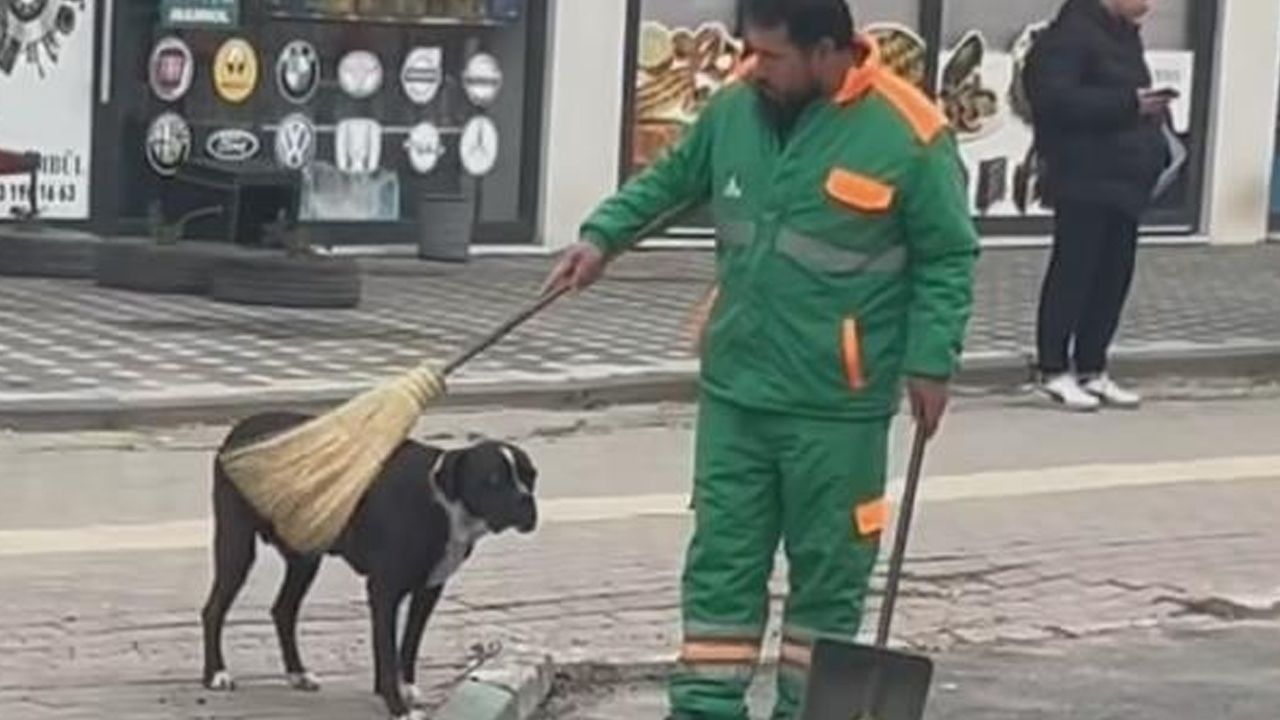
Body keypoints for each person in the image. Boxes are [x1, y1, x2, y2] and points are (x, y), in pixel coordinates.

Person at [543, 2, 978, 717]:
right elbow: (671, 182)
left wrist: (933, 362)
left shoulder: (911, 134)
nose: (754, 68)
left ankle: (809, 710)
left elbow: (947, 257)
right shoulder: (734, 110)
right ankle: (705, 710)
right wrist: (601, 238)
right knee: (722, 567)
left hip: (837, 403)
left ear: (829, 52)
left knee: (829, 575)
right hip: (737, 390)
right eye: (749, 51)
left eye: (771, 57)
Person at [1027, 0, 1170, 411]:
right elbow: (1055, 101)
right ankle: (1053, 368)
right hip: (1084, 177)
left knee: (1113, 276)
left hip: (1124, 180)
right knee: (1074, 271)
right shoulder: (1069, 35)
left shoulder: (1125, 37)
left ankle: (1093, 365)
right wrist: (1130, 104)